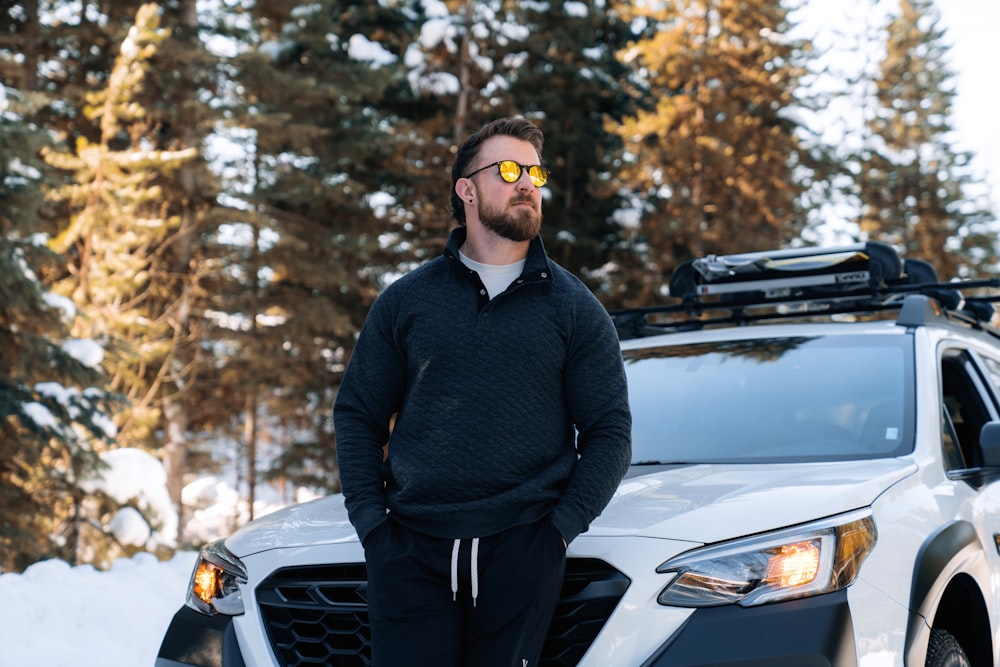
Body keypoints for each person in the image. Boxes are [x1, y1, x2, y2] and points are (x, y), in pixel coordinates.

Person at [333, 116, 632, 667]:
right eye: (510, 169)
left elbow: (609, 431)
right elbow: (357, 416)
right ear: (466, 189)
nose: (528, 184)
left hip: (521, 551)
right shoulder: (407, 302)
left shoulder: (574, 308)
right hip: (411, 551)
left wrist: (557, 534)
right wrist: (374, 529)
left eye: (535, 173)